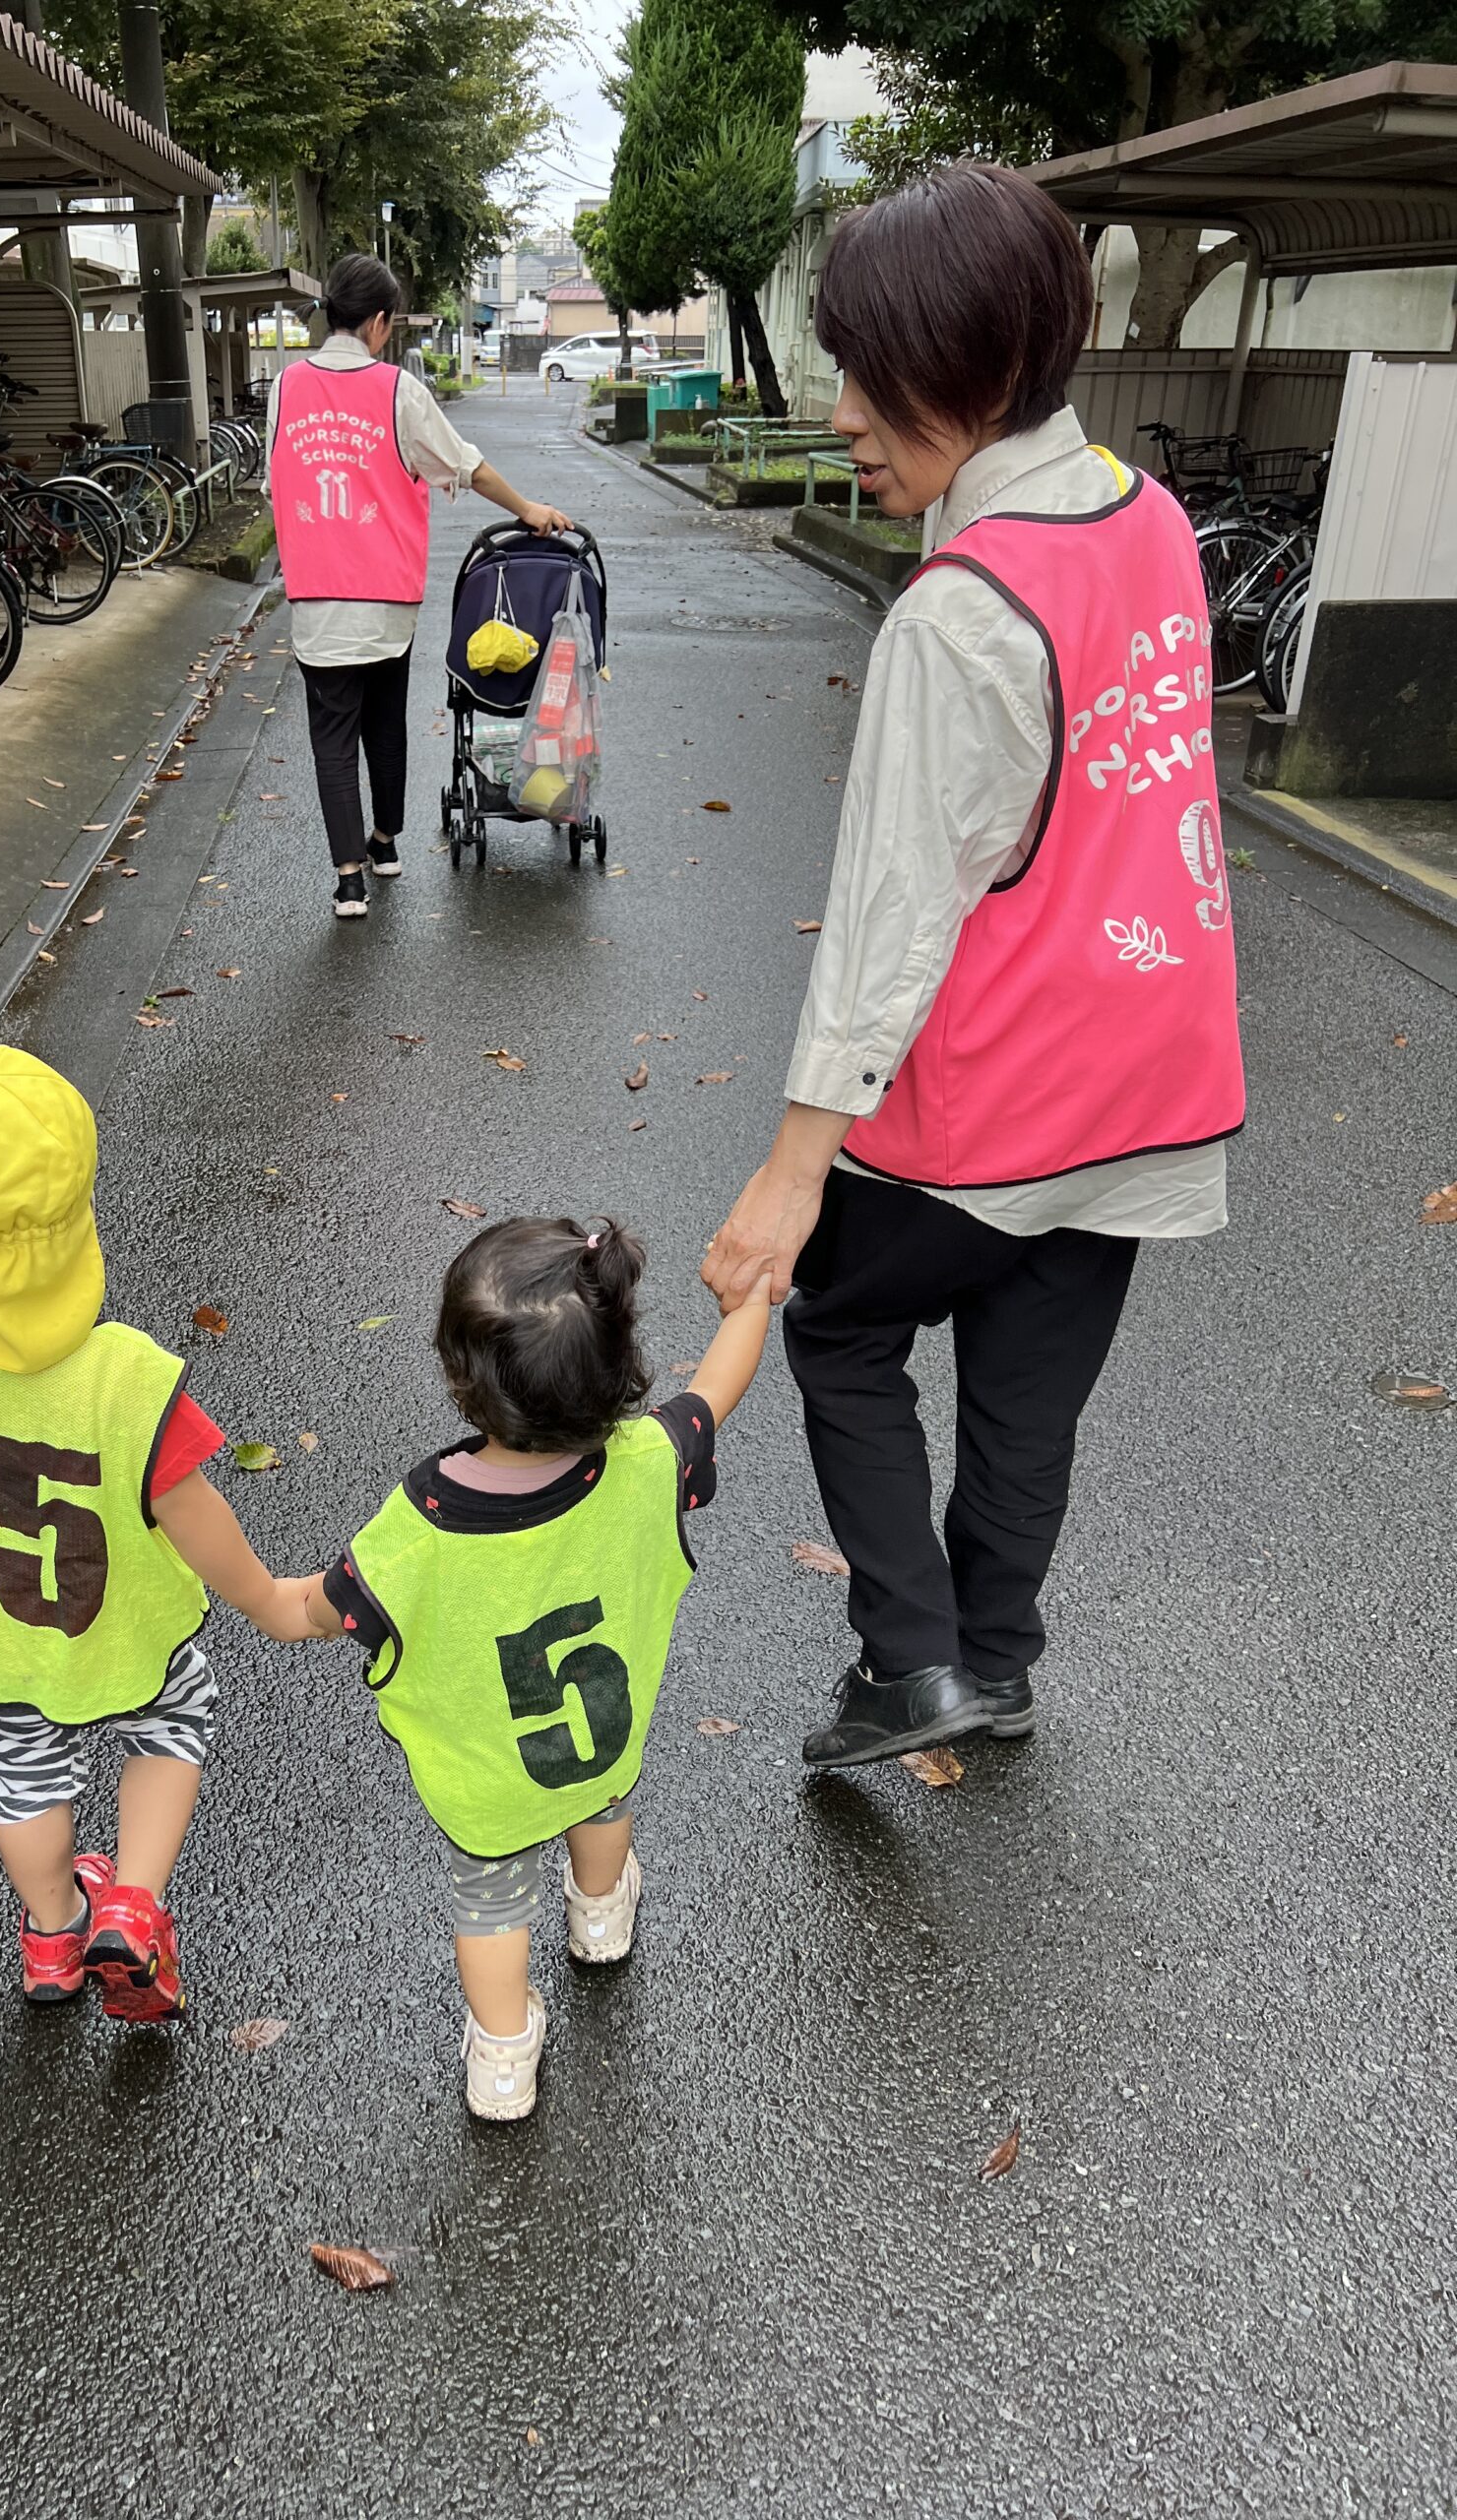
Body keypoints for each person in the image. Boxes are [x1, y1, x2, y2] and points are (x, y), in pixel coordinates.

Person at [703, 161, 1244, 1770]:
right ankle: (995, 1662)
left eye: (878, 371)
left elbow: (889, 921)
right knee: (1029, 1398)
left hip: (999, 1093)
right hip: (1155, 1078)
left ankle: (914, 1660)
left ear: (983, 368)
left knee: (842, 1329)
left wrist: (795, 1176)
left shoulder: (957, 612)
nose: (846, 410)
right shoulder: (1154, 521)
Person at [0, 1047, 316, 2021]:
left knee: (20, 1773)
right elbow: (194, 1513)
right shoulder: (126, 1379)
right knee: (172, 1720)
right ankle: (132, 1908)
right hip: (115, 1623)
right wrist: (269, 1599)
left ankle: (53, 1936)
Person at [288, 1218, 772, 2120]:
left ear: (462, 1384)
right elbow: (718, 1386)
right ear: (617, 1365)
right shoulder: (651, 1463)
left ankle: (503, 2059)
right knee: (602, 1816)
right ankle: (599, 1920)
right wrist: (750, 1301)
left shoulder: (422, 1523)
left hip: (489, 1785)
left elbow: (316, 1608)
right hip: (602, 1743)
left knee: (491, 1911)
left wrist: (251, 1588)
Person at [266, 252, 573, 921]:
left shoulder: (285, 388)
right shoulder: (397, 391)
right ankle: (385, 844)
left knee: (332, 736)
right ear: (378, 322)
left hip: (317, 595)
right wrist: (529, 511)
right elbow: (465, 465)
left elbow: (274, 479)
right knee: (385, 722)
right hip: (386, 599)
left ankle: (349, 880)